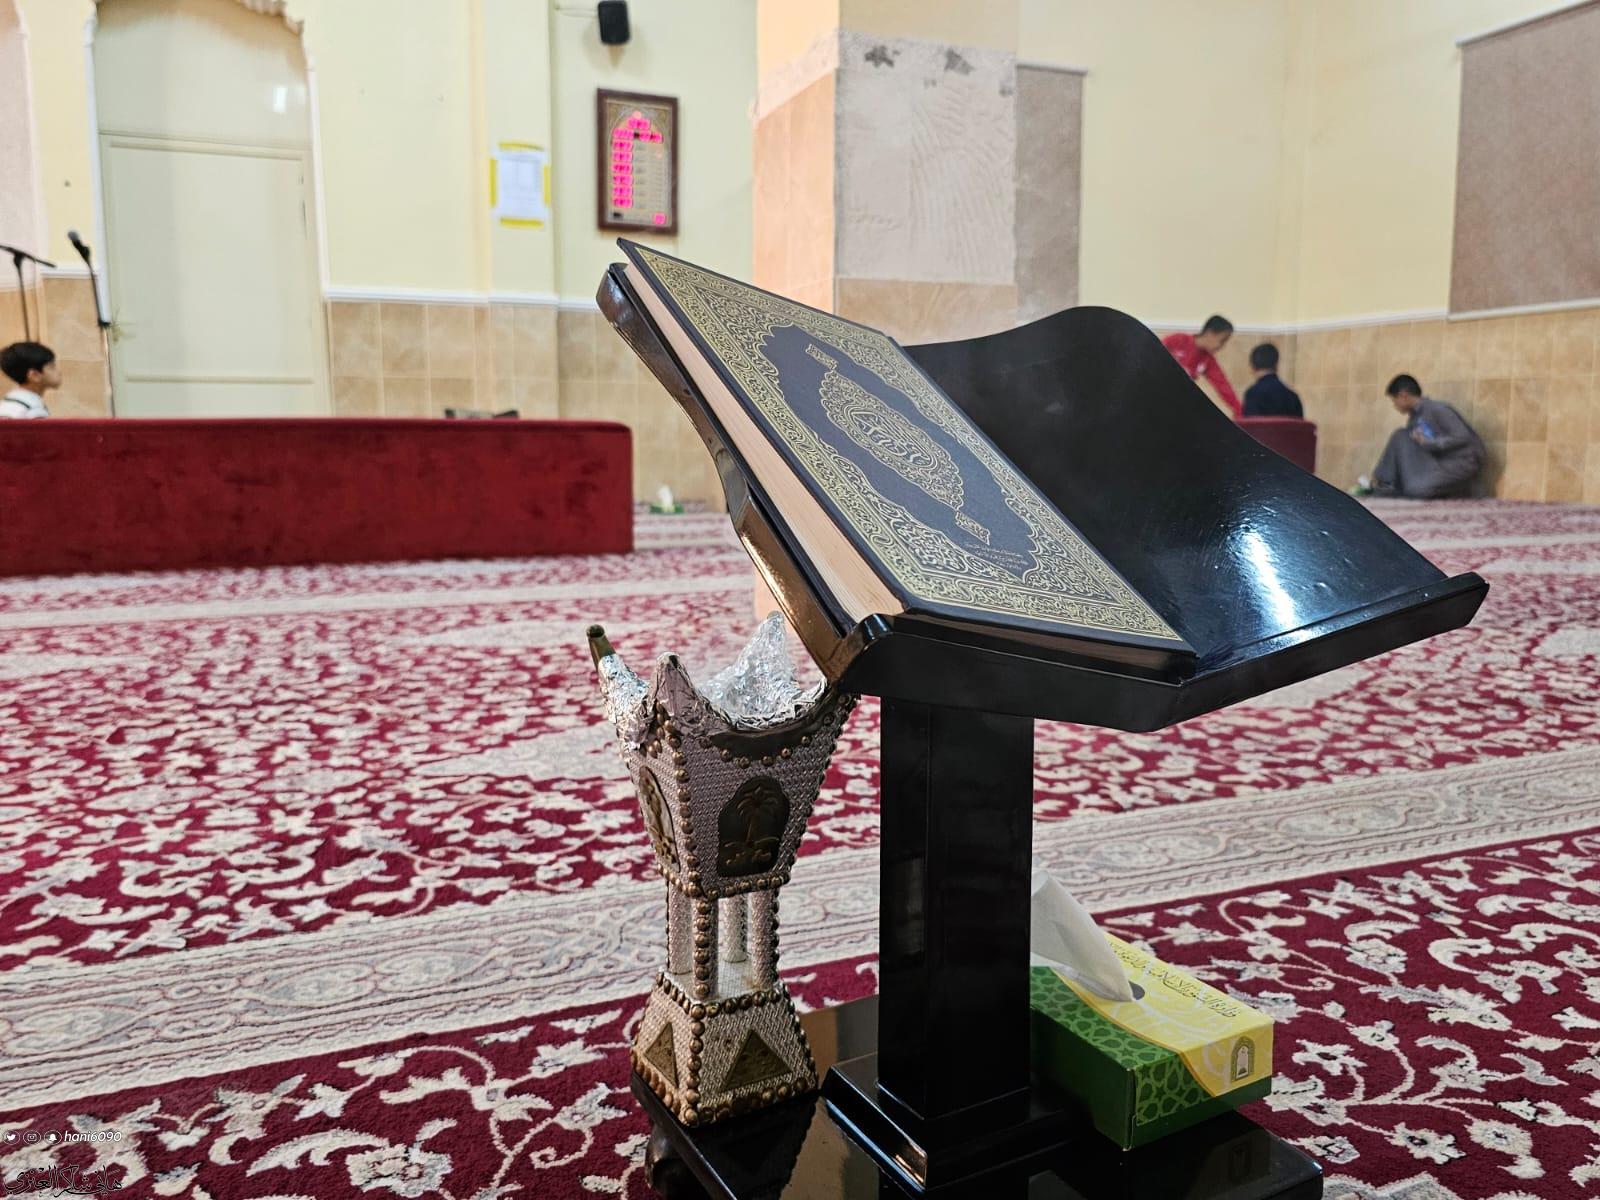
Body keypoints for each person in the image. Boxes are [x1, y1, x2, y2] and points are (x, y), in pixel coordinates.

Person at [1356, 374, 1484, 499]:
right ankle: (1385, 484)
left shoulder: (1437, 409)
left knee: (1415, 489)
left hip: (1459, 462)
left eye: (1395, 401)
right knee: (1400, 436)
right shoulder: (1414, 418)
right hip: (1437, 463)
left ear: (1403, 395)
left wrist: (1429, 443)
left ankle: (1461, 488)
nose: (1395, 406)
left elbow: (1463, 437)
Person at [1162, 315, 1240, 418]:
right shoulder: (1178, 340)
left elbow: (1224, 387)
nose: (1222, 346)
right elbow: (1151, 356)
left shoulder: (1208, 360)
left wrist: (1240, 412)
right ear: (1210, 333)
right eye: (1222, 340)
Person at [1242, 343, 1303, 418]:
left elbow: (1250, 424)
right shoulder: (1293, 397)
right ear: (1276, 365)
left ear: (1252, 367)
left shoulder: (1252, 394)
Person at [1, 341, 59, 419]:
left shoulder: (7, 402)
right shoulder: (34, 410)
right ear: (34, 375)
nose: (59, 372)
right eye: (52, 367)